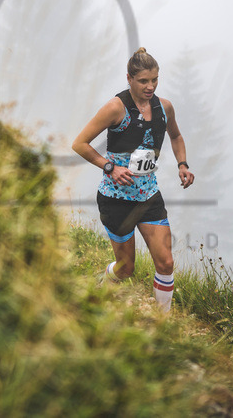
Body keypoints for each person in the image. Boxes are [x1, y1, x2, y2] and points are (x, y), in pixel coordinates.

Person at [72, 47, 195, 312]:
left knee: (166, 263)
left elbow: (176, 136)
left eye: (155, 80)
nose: (150, 86)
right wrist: (110, 167)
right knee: (126, 268)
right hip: (116, 198)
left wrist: (182, 164)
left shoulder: (165, 107)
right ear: (129, 78)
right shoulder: (115, 108)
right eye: (143, 81)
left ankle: (163, 323)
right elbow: (79, 144)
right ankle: (101, 286)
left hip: (148, 196)